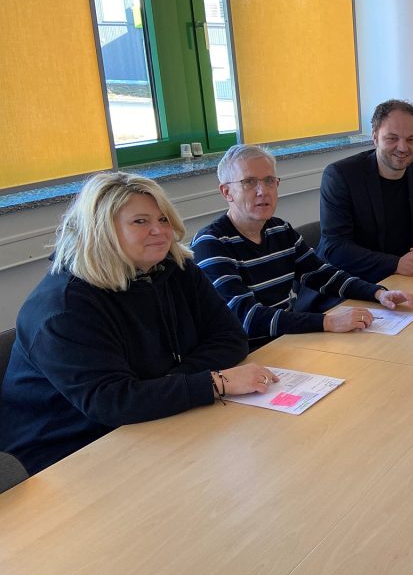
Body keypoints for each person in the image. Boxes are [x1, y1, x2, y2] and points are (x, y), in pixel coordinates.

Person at [0, 172, 274, 476]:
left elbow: (231, 337)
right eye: (140, 222)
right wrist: (213, 383)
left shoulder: (175, 269)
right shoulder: (63, 308)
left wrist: (168, 384)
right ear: (102, 230)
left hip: (151, 422)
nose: (159, 231)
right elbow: (112, 402)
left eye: (163, 220)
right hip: (65, 454)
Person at [192, 145, 413, 350]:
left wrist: (377, 292)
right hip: (243, 358)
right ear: (226, 192)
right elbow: (248, 319)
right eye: (249, 182)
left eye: (270, 180)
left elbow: (323, 275)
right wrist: (327, 321)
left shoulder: (279, 229)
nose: (263, 190)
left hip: (287, 344)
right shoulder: (210, 244)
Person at [318, 99, 413, 282]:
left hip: (403, 279)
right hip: (348, 283)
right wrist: (395, 264)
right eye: (392, 138)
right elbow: (335, 247)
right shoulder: (341, 176)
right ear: (375, 137)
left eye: (411, 139)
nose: (403, 147)